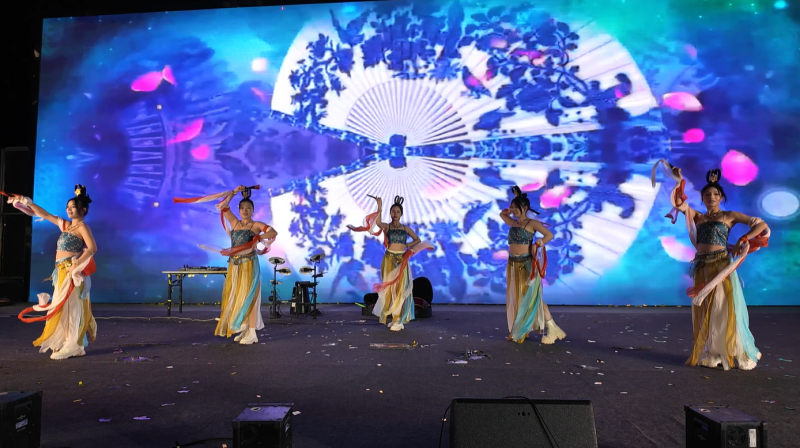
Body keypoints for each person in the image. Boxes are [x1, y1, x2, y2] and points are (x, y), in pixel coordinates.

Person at [658, 165, 769, 370]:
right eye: (707, 194)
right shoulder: (698, 216)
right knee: (708, 310)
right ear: (702, 198)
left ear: (721, 197)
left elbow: (760, 225)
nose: (711, 197)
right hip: (702, 266)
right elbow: (678, 203)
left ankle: (740, 352)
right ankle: (714, 352)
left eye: (716, 194)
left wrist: (744, 238)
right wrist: (678, 181)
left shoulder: (729, 216)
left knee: (725, 308)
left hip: (721, 266)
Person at [174, 185, 277, 344]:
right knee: (237, 297)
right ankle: (245, 329)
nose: (245, 210)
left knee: (249, 298)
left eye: (248, 208)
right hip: (235, 265)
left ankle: (252, 333)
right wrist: (234, 192)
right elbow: (222, 205)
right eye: (242, 208)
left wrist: (259, 238)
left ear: (253, 210)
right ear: (239, 210)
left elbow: (273, 232)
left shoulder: (256, 225)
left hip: (249, 264)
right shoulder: (234, 222)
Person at [9, 185, 98, 360]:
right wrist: (28, 202)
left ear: (83, 209)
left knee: (72, 308)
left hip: (71, 272)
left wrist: (75, 265)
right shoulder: (67, 226)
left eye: (73, 207)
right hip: (61, 271)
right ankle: (74, 344)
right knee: (63, 308)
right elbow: (46, 214)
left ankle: (73, 345)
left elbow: (92, 248)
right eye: (67, 207)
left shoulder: (82, 227)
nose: (69, 210)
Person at [348, 195, 433, 331]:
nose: (395, 214)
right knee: (390, 290)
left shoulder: (405, 229)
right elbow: (378, 222)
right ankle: (395, 318)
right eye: (393, 211)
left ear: (401, 214)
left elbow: (417, 240)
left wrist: (406, 245)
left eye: (398, 212)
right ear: (390, 213)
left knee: (400, 290)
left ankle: (399, 319)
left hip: (401, 260)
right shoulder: (387, 227)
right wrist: (379, 206)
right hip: (388, 260)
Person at [499, 186, 565, 344]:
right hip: (513, 264)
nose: (514, 211)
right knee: (520, 297)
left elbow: (549, 235)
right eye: (513, 208)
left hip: (527, 264)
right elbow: (502, 214)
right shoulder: (513, 223)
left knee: (533, 298)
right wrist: (512, 206)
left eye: (516, 208)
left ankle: (552, 328)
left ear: (525, 208)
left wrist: (540, 242)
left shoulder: (532, 223)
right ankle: (524, 328)